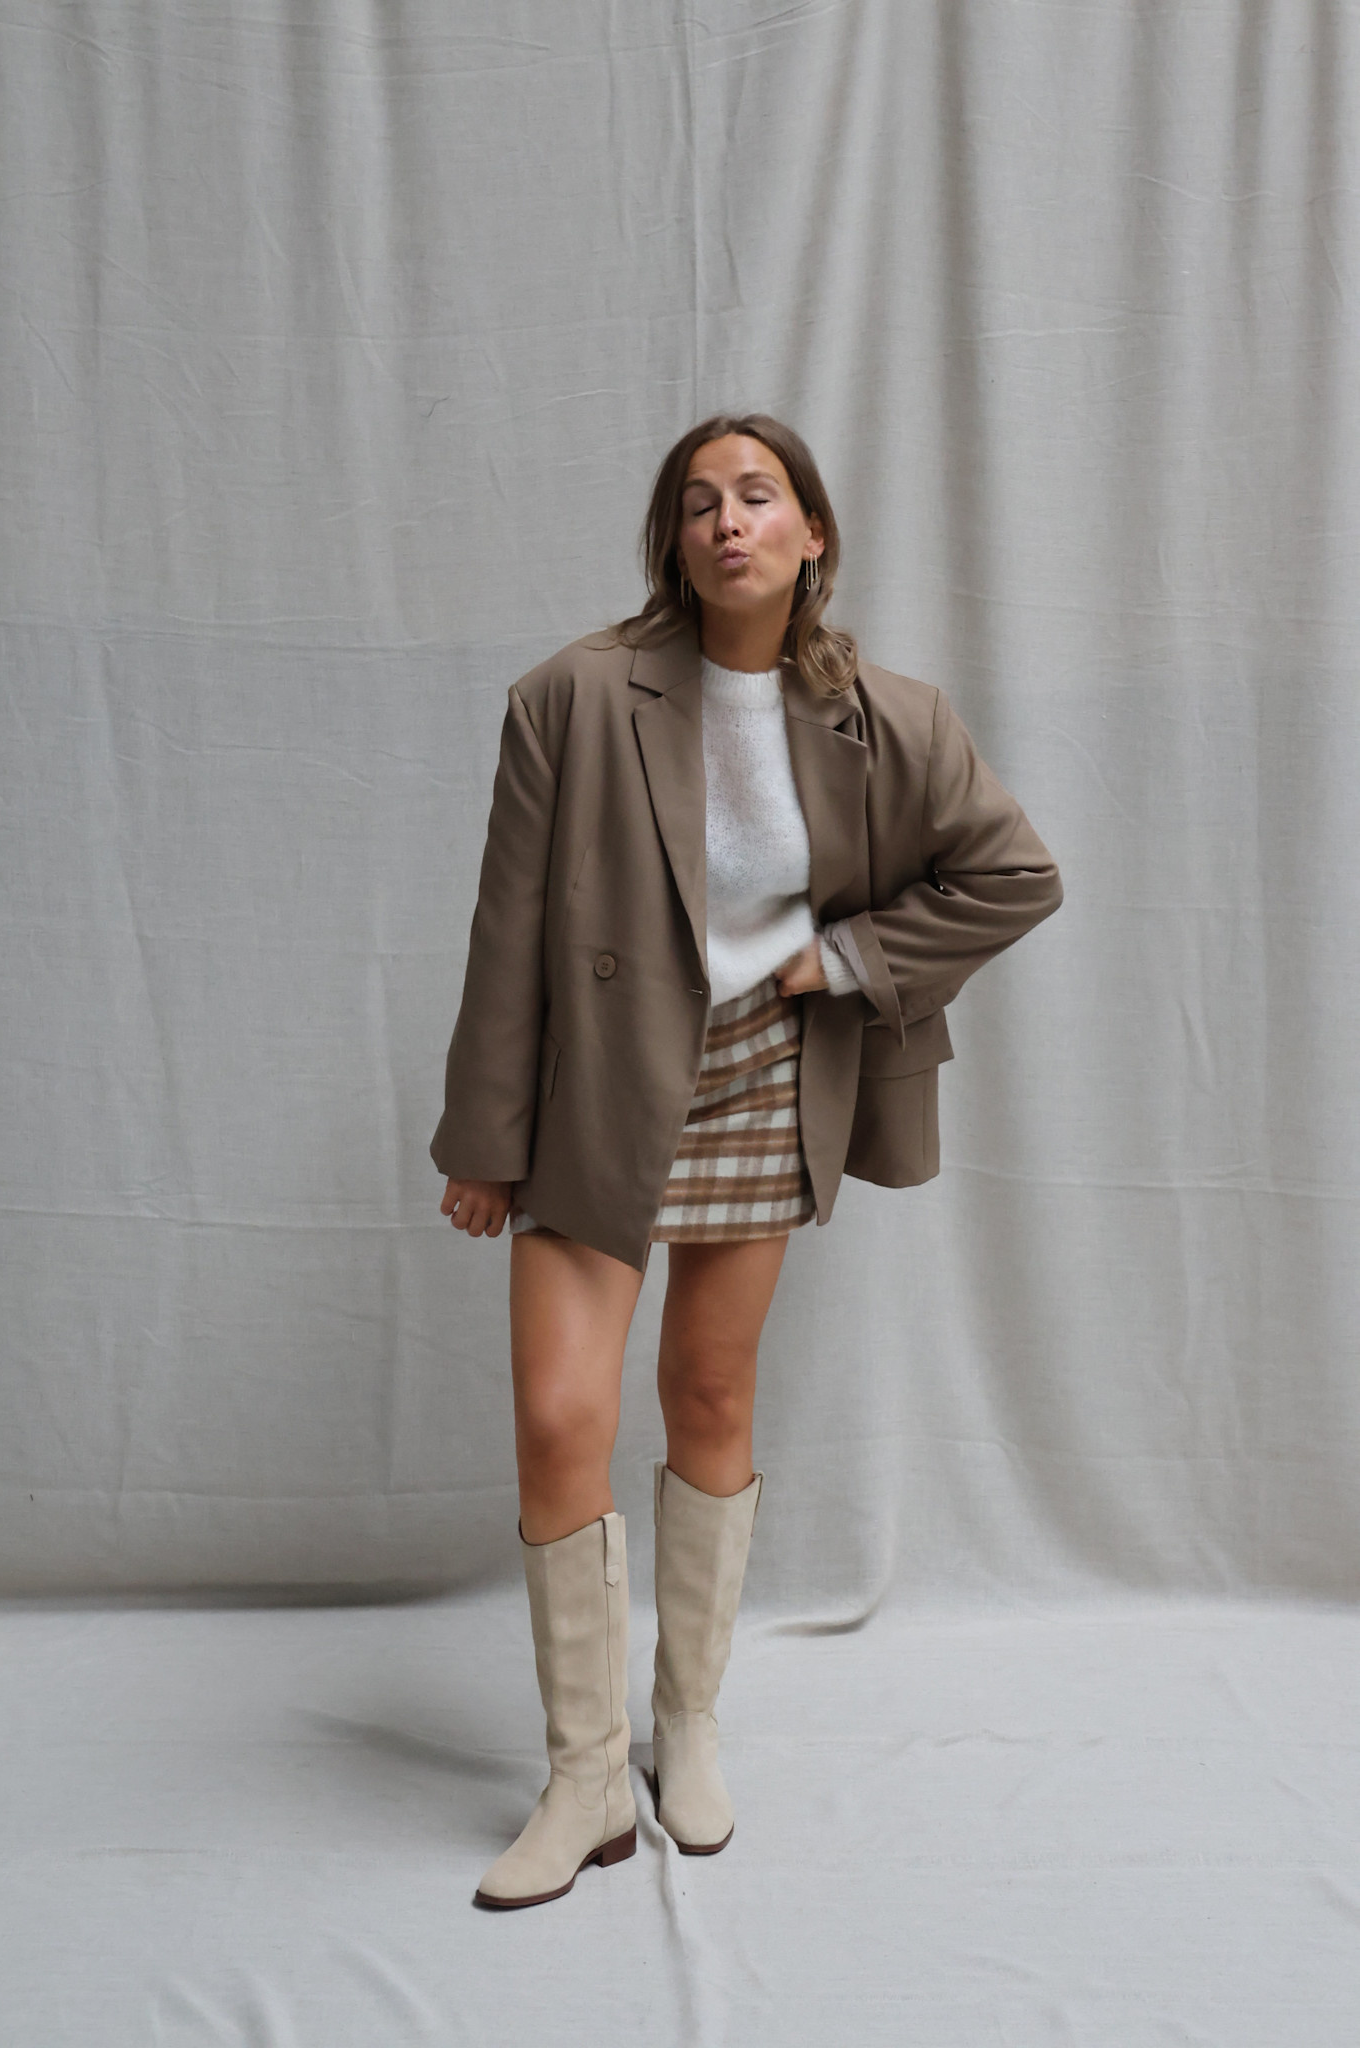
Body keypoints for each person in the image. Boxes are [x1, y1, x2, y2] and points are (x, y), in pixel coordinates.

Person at [431, 412, 1063, 1910]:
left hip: (762, 1079)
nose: (729, 520)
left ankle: (690, 1725)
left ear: (810, 532)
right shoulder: (572, 697)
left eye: (759, 496)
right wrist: (485, 1141)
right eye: (700, 501)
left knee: (709, 1394)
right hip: (599, 1082)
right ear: (674, 538)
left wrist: (839, 961)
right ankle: (583, 1776)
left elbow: (1013, 873)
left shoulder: (884, 716)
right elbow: (507, 929)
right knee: (558, 1418)